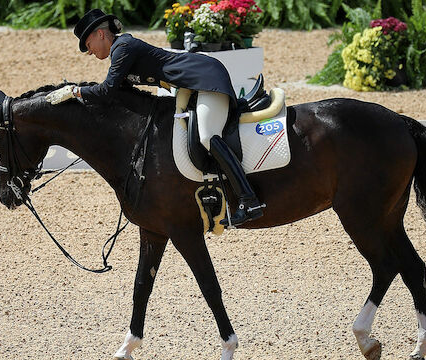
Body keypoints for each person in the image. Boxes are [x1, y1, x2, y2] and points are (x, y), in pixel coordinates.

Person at [46, 9, 263, 226]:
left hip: (205, 77)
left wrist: (76, 92)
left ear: (100, 34)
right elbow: (118, 96)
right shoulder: (121, 51)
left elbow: (107, 91)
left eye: (88, 45)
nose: (89, 52)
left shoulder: (123, 49)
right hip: (194, 83)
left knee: (207, 136)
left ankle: (248, 199)